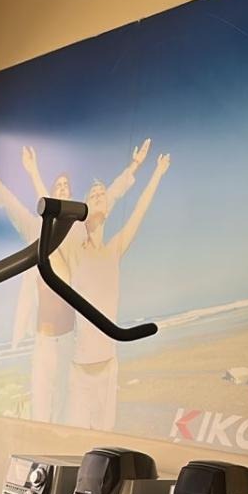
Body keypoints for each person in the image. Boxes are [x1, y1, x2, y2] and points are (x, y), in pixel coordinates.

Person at [0, 138, 151, 423]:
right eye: (57, 187)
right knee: (41, 405)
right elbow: (17, 208)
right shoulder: (37, 230)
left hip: (70, 339)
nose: (62, 190)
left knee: (64, 408)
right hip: (44, 339)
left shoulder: (76, 239)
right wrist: (19, 176)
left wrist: (134, 166)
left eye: (66, 188)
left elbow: (106, 199)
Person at [66, 152, 171, 430]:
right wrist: (132, 167)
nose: (99, 196)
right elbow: (103, 201)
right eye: (93, 194)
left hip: (108, 362)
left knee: (104, 437)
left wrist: (156, 172)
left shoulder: (113, 250)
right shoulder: (75, 248)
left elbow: (139, 210)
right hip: (80, 365)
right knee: (75, 437)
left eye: (102, 193)